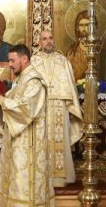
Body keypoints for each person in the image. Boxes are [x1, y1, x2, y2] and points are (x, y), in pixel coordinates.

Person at [0, 44, 57, 207]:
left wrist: (2, 101)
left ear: (24, 59)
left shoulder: (34, 82)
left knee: (23, 181)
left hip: (29, 144)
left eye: (12, 60)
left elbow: (26, 109)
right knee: (13, 178)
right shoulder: (21, 80)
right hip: (16, 139)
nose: (10, 64)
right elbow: (13, 100)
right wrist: (1, 97)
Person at [32, 30, 84, 187]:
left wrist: (72, 109)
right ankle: (40, 178)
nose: (48, 41)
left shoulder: (63, 61)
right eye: (44, 39)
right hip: (40, 107)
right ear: (39, 42)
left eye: (50, 38)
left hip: (60, 108)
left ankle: (61, 178)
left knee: (60, 142)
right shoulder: (33, 61)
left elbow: (71, 87)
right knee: (40, 141)